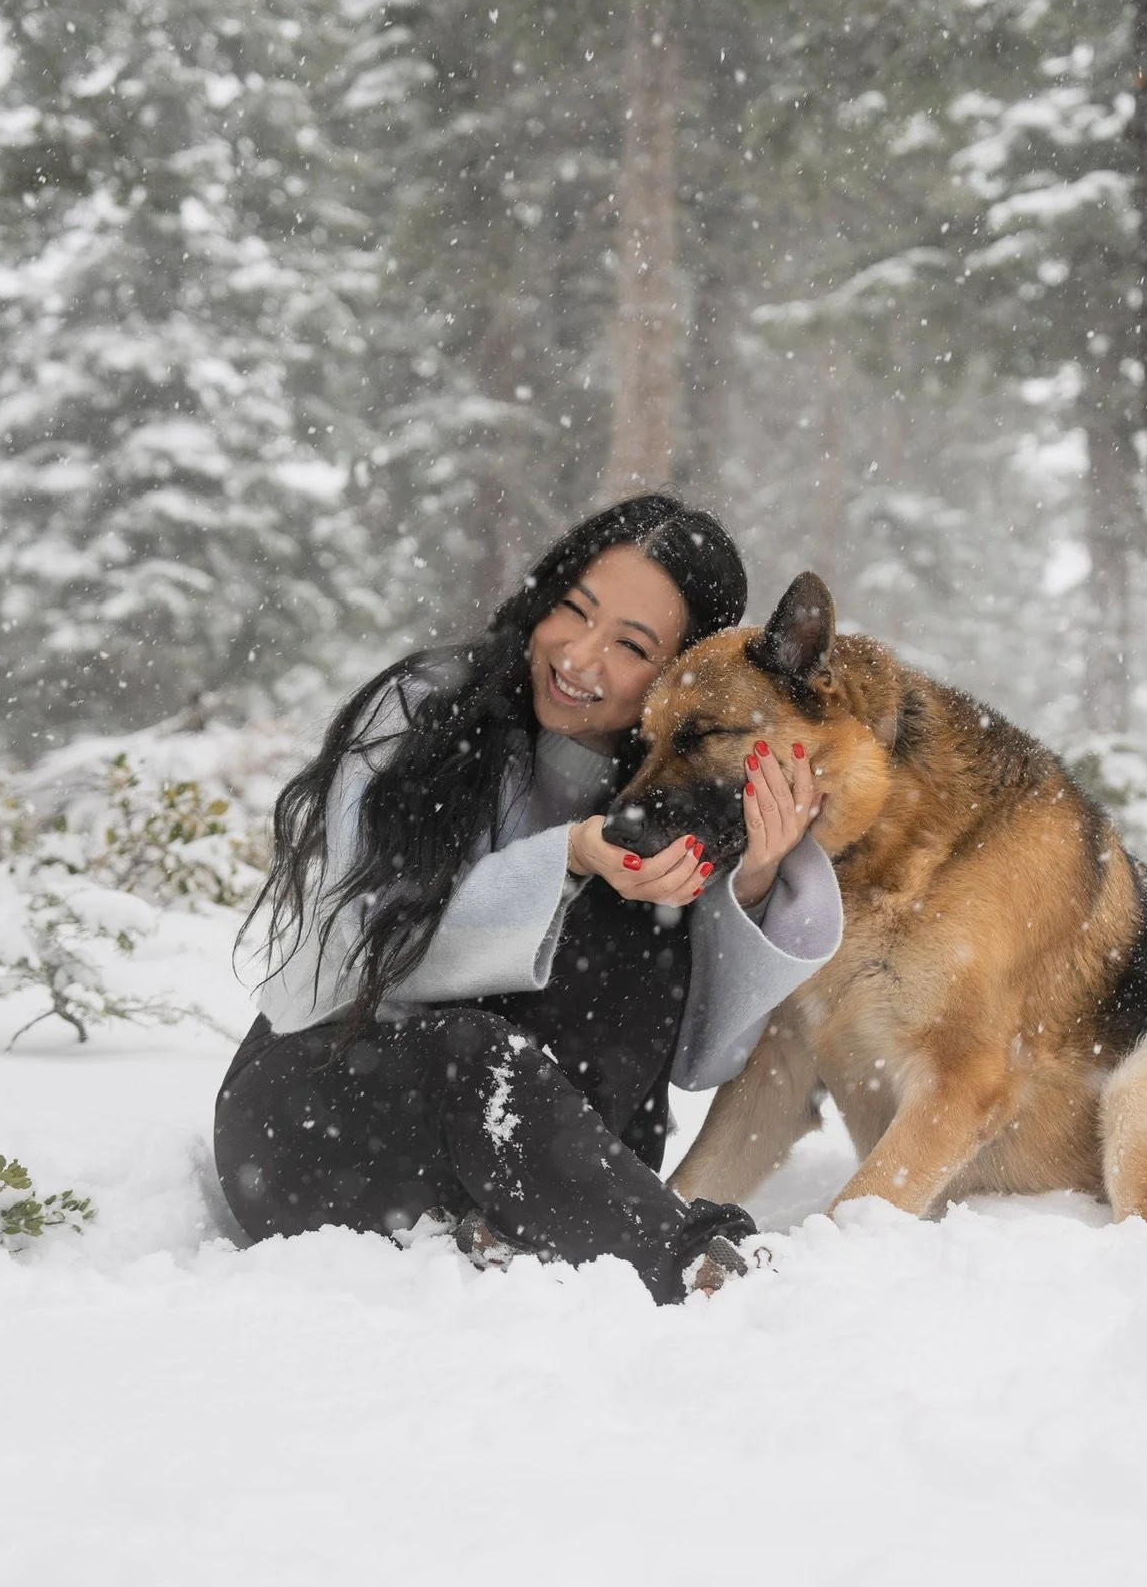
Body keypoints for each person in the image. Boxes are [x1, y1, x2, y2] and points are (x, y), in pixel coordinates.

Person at [214, 495, 843, 1302]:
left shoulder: (663, 797)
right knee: (478, 1050)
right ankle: (689, 1265)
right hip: (318, 1118)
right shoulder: (423, 711)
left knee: (630, 920)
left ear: (679, 674)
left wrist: (751, 879)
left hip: (518, 1161)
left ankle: (534, 1227)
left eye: (630, 646)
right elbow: (332, 965)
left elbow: (697, 1062)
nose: (579, 658)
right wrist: (564, 860)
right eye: (573, 611)